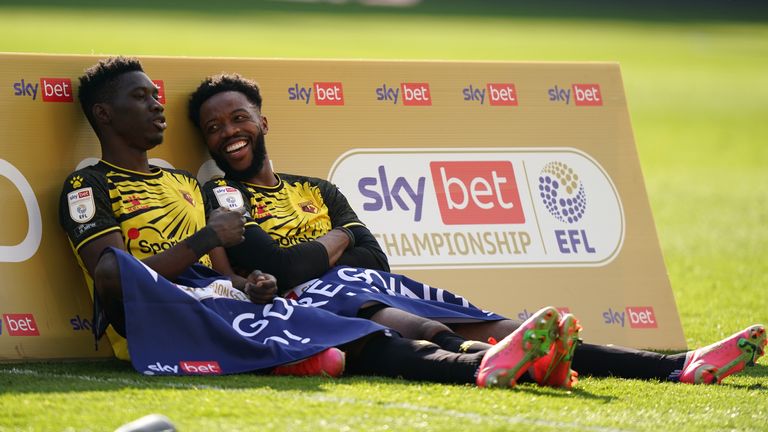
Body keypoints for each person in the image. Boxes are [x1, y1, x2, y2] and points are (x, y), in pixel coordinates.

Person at [187, 73, 766, 386]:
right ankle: (483, 360)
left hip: (369, 289)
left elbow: (375, 258)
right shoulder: (221, 195)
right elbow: (286, 269)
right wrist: (337, 243)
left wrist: (332, 249)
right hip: (299, 308)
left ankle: (679, 365)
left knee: (501, 322)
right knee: (388, 308)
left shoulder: (318, 187)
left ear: (263, 121)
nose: (229, 133)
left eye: (238, 118)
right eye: (214, 128)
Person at [58, 55, 578, 389]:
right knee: (344, 336)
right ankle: (484, 366)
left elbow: (222, 271)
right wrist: (205, 239)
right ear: (104, 115)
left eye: (156, 96)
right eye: (140, 97)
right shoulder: (87, 186)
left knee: (351, 332)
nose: (156, 106)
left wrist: (251, 284)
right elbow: (113, 278)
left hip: (219, 302)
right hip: (161, 316)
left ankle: (494, 362)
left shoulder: (188, 185)